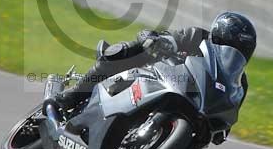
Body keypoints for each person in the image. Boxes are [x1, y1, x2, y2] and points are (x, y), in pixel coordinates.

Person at [51, 11, 256, 112]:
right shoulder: (197, 36)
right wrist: (158, 41)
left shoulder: (239, 83)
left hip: (187, 108)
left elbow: (229, 112)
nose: (234, 52)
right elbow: (166, 37)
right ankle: (74, 94)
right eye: (231, 44)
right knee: (125, 51)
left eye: (241, 49)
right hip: (156, 75)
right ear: (219, 35)